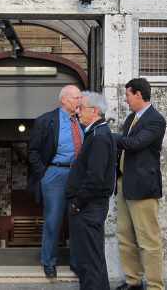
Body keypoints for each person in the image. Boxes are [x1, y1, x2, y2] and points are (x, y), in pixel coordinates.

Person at [114, 78, 166, 290]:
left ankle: (154, 286)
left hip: (143, 188)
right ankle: (133, 281)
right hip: (124, 184)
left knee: (148, 240)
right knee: (125, 236)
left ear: (138, 94)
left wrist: (108, 136)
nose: (126, 99)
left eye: (128, 95)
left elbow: (136, 143)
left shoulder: (155, 120)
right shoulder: (131, 118)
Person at [28, 84, 83, 278]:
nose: (80, 101)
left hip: (78, 175)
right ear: (64, 100)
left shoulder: (83, 119)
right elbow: (33, 151)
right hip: (55, 173)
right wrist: (44, 173)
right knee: (53, 219)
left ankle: (77, 263)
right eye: (77, 98)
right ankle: (49, 262)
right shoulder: (46, 121)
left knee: (78, 220)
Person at [66, 91, 117, 290]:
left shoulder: (98, 137)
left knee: (89, 261)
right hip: (89, 206)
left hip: (88, 207)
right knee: (93, 259)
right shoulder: (97, 133)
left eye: (81, 108)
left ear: (94, 111)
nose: (77, 112)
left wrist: (77, 203)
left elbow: (95, 178)